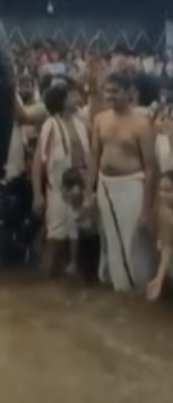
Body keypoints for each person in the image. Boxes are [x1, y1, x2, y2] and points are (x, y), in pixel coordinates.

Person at [88, 71, 159, 292]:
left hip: (132, 187)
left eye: (115, 91)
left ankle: (139, 290)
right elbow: (94, 157)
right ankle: (119, 288)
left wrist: (147, 209)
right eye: (107, 91)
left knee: (134, 242)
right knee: (110, 241)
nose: (110, 96)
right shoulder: (100, 119)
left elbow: (151, 168)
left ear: (129, 93)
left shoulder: (142, 125)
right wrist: (89, 192)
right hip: (105, 185)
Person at [32, 80, 90, 277]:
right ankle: (45, 275)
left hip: (79, 186)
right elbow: (37, 162)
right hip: (56, 187)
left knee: (76, 233)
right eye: (72, 95)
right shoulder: (50, 124)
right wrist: (37, 195)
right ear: (62, 100)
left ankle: (70, 270)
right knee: (55, 235)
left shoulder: (81, 124)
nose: (77, 98)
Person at [146, 172, 173, 301]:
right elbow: (167, 247)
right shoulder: (165, 212)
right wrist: (159, 279)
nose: (162, 194)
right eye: (161, 190)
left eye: (168, 190)